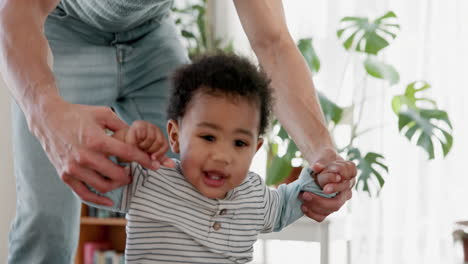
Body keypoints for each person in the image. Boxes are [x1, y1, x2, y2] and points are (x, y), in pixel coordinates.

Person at [0, 0, 356, 263]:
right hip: (60, 26)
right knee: (46, 220)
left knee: (197, 180)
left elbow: (273, 42)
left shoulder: (256, 200)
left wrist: (323, 157)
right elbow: (16, 10)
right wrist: (45, 113)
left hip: (150, 32)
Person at [86, 53, 339, 263]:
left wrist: (323, 180)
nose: (222, 156)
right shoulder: (147, 176)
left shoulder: (254, 195)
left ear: (255, 148)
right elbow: (95, 173)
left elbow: (292, 202)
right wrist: (124, 143)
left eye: (239, 143)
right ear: (175, 135)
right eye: (208, 137)